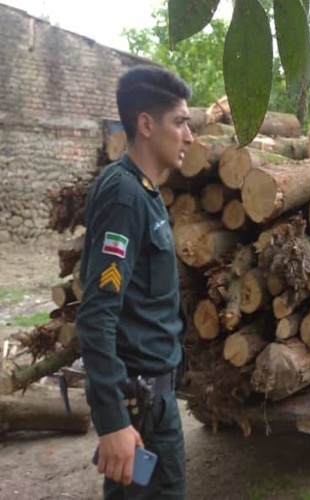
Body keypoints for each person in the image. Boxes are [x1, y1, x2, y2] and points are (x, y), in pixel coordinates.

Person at [76, 65, 194, 498]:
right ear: (146, 124)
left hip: (154, 406)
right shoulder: (125, 195)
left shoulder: (145, 193)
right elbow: (96, 314)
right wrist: (112, 422)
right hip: (138, 413)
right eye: (180, 122)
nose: (190, 136)